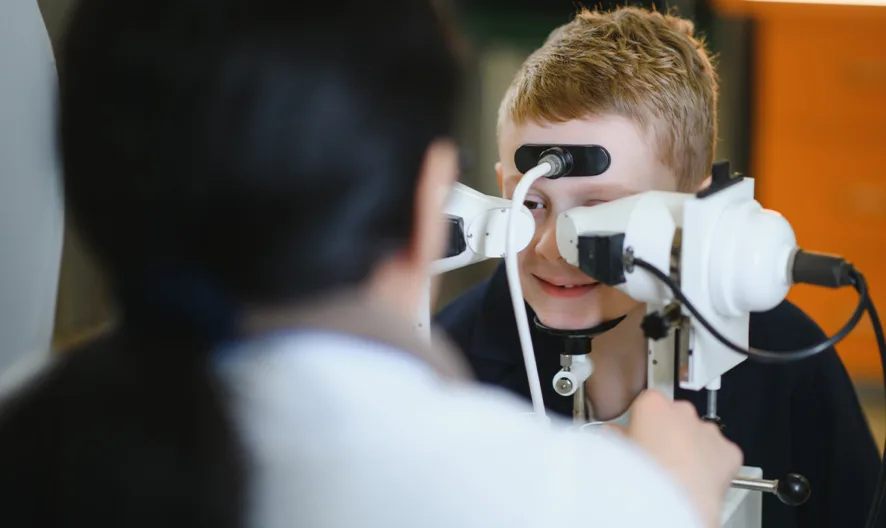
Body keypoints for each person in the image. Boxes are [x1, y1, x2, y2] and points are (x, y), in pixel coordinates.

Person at [0, 1, 742, 527]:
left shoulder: (31, 435)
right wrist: (669, 497)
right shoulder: (566, 497)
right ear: (431, 197)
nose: (552, 242)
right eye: (534, 204)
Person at [436, 7, 883, 528]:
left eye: (602, 213)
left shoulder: (787, 359)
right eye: (530, 205)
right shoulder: (453, 361)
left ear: (692, 208)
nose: (554, 248)